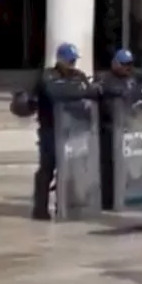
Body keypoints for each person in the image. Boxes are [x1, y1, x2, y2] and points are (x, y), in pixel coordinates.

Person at [27, 43, 96, 220]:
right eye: (69, 60)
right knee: (47, 169)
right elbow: (54, 92)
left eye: (74, 60)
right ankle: (40, 208)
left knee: (74, 168)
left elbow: (90, 91)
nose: (72, 64)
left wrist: (77, 90)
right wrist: (77, 90)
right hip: (51, 130)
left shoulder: (79, 75)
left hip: (75, 129)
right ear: (60, 59)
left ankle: (68, 205)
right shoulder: (47, 75)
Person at [95, 49, 142, 210]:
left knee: (134, 164)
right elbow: (106, 93)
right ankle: (108, 200)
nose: (127, 68)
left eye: (130, 64)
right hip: (110, 128)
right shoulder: (106, 79)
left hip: (132, 127)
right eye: (124, 64)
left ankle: (132, 196)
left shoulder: (137, 77)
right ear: (115, 63)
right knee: (109, 165)